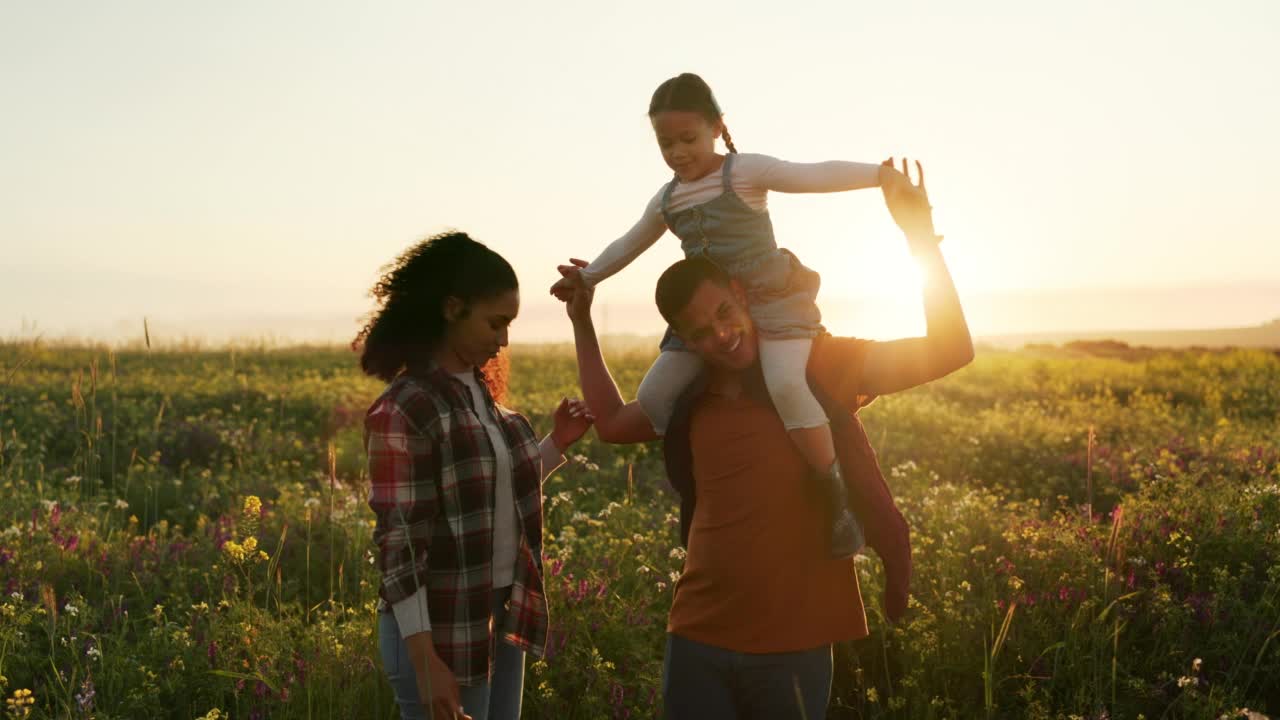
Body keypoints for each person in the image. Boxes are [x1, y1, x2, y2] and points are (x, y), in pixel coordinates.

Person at [559, 159, 972, 718]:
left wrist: (920, 238)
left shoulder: (820, 365)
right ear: (680, 338)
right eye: (701, 332)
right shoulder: (687, 395)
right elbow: (609, 424)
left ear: (742, 292)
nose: (722, 335)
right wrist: (582, 321)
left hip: (796, 641)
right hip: (698, 634)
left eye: (726, 313)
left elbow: (950, 350)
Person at [550, 72, 899, 558]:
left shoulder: (745, 172)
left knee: (786, 383)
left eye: (687, 139)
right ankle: (710, 477)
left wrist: (878, 175)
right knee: (654, 396)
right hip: (709, 317)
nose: (677, 152)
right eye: (665, 143)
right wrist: (586, 279)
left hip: (772, 301)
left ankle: (832, 489)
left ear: (716, 127)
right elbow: (628, 243)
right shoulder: (668, 199)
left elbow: (811, 174)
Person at [356, 232, 595, 720]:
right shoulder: (406, 407)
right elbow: (398, 545)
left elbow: (491, 493)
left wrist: (556, 444)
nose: (503, 339)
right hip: (437, 624)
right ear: (451, 308)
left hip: (498, 609)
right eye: (495, 322)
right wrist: (424, 662)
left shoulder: (483, 398)